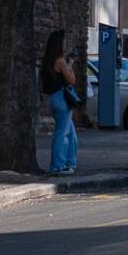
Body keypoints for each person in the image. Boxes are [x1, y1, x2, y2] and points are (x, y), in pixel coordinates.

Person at [40, 29, 78, 175]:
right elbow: (71, 80)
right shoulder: (60, 61)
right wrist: (70, 65)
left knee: (71, 133)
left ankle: (70, 163)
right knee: (62, 133)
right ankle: (58, 165)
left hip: (52, 99)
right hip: (62, 99)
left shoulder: (48, 60)